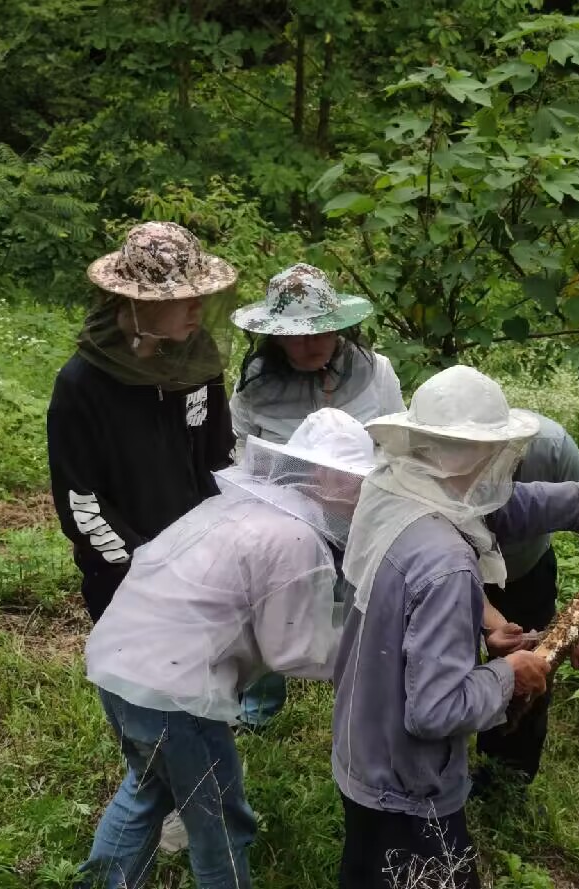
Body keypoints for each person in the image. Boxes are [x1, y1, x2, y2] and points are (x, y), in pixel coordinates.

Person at [331, 365, 579, 889]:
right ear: (485, 454)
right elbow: (435, 710)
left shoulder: (390, 489)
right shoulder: (449, 564)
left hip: (363, 745)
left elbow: (497, 508)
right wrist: (510, 673)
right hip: (410, 784)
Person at [80, 407, 376, 889]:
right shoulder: (295, 536)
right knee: (220, 820)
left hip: (118, 667)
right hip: (176, 694)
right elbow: (292, 650)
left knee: (147, 791)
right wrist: (372, 651)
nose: (363, 492)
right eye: (357, 479)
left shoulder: (236, 510)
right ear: (324, 474)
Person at [47, 221, 238, 852]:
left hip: (201, 562)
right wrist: (143, 573)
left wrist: (228, 539)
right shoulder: (81, 386)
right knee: (145, 707)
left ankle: (185, 802)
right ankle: (150, 797)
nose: (195, 309)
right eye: (179, 298)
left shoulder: (199, 364)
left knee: (207, 690)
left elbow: (218, 460)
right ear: (135, 303)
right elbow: (82, 503)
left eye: (198, 296)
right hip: (125, 576)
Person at [229, 261, 405, 727]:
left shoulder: (377, 372)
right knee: (269, 599)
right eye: (296, 335)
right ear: (275, 336)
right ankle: (258, 705)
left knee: (362, 600)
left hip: (359, 508)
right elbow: (244, 452)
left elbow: (396, 439)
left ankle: (358, 697)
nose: (308, 345)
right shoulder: (254, 387)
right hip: (285, 513)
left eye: (319, 334)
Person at [475, 413, 579, 788]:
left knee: (532, 666)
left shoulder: (550, 445)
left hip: (526, 570)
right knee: (448, 666)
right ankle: (443, 769)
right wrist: (487, 620)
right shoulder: (433, 453)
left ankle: (507, 774)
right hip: (456, 569)